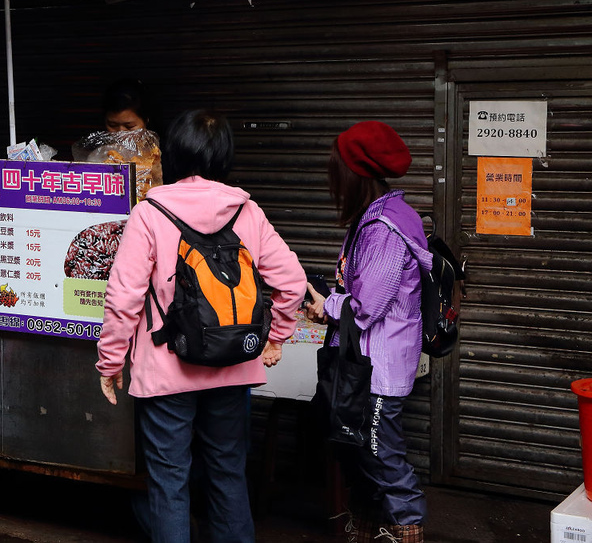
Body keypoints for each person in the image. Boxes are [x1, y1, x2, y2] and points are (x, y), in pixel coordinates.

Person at [97, 109, 307, 543]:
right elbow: (293, 282)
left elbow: (124, 297)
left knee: (169, 480)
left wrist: (110, 362)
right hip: (232, 365)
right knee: (227, 473)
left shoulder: (150, 212)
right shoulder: (246, 210)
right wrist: (277, 338)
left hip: (165, 370)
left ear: (172, 154)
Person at [304, 121, 429, 543]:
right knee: (362, 453)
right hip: (368, 362)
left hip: (379, 367)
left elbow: (365, 307)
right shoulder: (380, 216)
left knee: (382, 456)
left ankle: (406, 532)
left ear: (354, 172)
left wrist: (327, 305)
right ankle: (367, 530)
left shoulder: (383, 229)